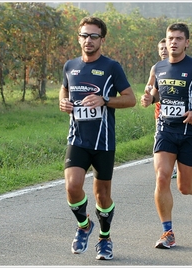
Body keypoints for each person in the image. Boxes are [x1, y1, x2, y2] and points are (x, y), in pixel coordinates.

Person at [59, 16, 136, 260]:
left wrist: (105, 100)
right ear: (78, 37)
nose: (88, 40)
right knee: (72, 187)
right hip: (77, 139)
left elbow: (130, 98)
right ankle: (84, 226)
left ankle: (104, 237)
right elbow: (65, 87)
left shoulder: (111, 67)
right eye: (84, 35)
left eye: (93, 36)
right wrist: (62, 100)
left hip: (103, 142)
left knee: (102, 196)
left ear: (102, 39)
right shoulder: (70, 65)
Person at [140, 22, 192, 249]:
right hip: (165, 130)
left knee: (183, 187)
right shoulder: (158, 68)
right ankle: (168, 232)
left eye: (178, 38)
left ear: (186, 42)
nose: (173, 42)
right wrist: (150, 99)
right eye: (169, 38)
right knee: (162, 177)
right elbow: (157, 94)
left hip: (189, 133)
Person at [145, 38, 177, 178]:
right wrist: (148, 90)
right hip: (160, 109)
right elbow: (150, 84)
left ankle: (175, 165)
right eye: (161, 49)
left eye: (165, 48)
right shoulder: (156, 67)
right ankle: (167, 167)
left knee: (176, 137)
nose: (164, 51)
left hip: (177, 109)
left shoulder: (177, 65)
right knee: (160, 136)